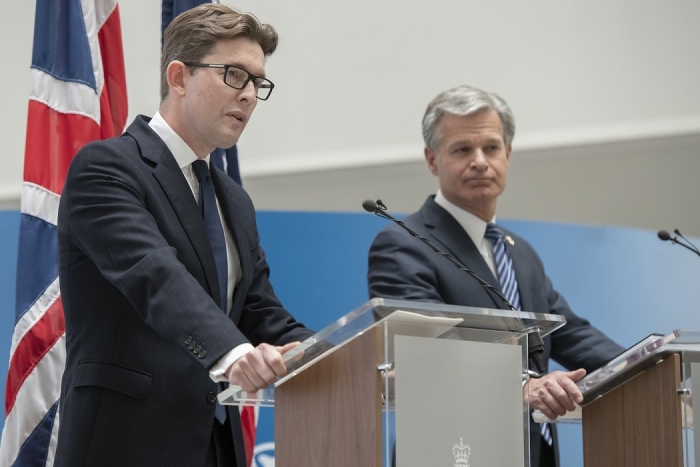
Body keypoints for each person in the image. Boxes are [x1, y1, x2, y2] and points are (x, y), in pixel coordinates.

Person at [54, 5, 313, 467]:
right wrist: (233, 353)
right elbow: (155, 276)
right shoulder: (108, 168)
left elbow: (259, 311)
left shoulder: (234, 200)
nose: (250, 95)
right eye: (235, 75)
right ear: (178, 77)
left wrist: (344, 358)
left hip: (216, 448)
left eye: (258, 82)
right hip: (125, 445)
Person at [367, 85, 624, 467]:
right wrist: (522, 386)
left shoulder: (519, 252)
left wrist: (647, 365)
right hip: (450, 452)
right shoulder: (403, 244)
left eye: (491, 147)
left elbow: (571, 334)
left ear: (508, 153)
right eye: (462, 149)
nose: (480, 161)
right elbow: (430, 354)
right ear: (432, 160)